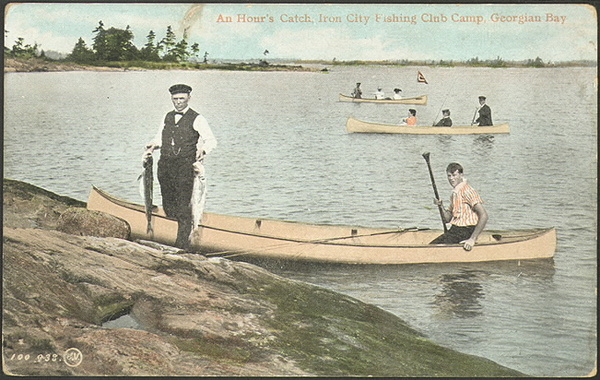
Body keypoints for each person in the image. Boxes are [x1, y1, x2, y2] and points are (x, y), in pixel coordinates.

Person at [143, 83, 217, 249]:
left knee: (183, 204)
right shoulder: (167, 116)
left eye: (182, 99)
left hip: (184, 166)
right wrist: (153, 145)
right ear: (171, 99)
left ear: (189, 98)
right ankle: (175, 230)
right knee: (169, 204)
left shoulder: (197, 118)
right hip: (165, 165)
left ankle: (182, 245)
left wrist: (203, 150)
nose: (178, 102)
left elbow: (211, 140)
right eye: (175, 99)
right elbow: (160, 138)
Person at [430, 162, 488, 251]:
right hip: (456, 230)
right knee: (432, 246)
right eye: (449, 176)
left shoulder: (468, 191)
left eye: (454, 175)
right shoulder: (455, 194)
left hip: (467, 230)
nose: (451, 179)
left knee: (433, 248)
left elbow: (484, 215)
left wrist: (472, 239)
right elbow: (447, 219)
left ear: (461, 175)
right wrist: (441, 206)